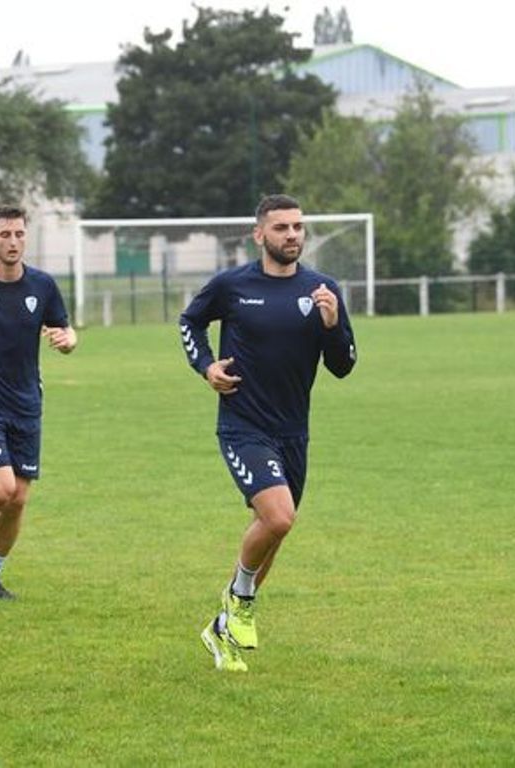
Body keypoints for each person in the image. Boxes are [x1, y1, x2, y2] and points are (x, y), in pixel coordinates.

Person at [179, 194, 357, 672]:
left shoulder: (323, 289)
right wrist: (205, 366)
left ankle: (223, 629)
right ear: (260, 235)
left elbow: (343, 366)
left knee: (274, 535)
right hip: (243, 426)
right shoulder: (233, 285)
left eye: (298, 227)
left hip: (294, 432)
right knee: (278, 518)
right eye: (282, 228)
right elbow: (190, 322)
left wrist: (333, 325)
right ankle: (238, 599)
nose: (293, 235)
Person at [0, 205, 77, 600]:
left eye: (19, 234)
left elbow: (64, 328)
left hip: (26, 402)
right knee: (3, 489)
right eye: (5, 234)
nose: (13, 242)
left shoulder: (42, 286)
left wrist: (68, 340)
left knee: (18, 499)